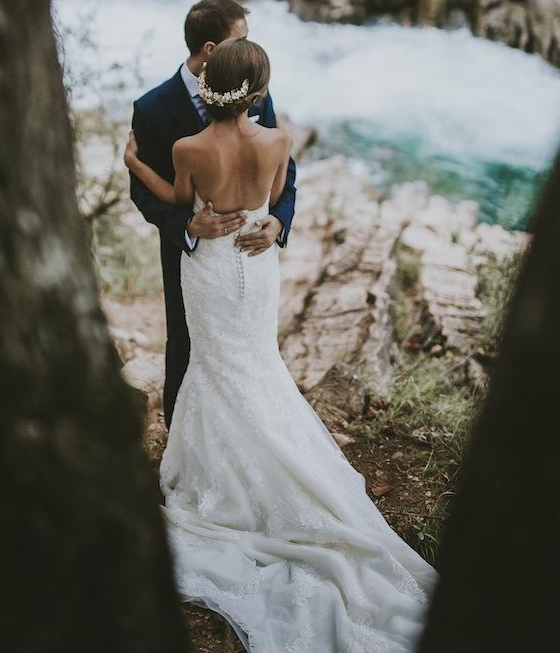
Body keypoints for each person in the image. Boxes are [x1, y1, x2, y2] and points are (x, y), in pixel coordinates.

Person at [125, 37, 439, 653]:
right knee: (254, 362)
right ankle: (287, 465)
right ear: (258, 90)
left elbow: (177, 201)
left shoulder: (187, 147)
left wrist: (137, 163)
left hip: (213, 264)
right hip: (257, 261)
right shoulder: (278, 138)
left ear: (208, 79)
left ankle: (221, 474)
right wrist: (268, 220)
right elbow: (271, 200)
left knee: (214, 364)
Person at [128, 0, 296, 427]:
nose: (246, 47)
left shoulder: (254, 88)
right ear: (210, 49)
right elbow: (143, 198)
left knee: (253, 344)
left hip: (254, 250)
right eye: (240, 38)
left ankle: (253, 430)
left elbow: (285, 173)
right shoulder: (151, 108)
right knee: (185, 343)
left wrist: (279, 220)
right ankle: (182, 435)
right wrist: (188, 225)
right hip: (191, 254)